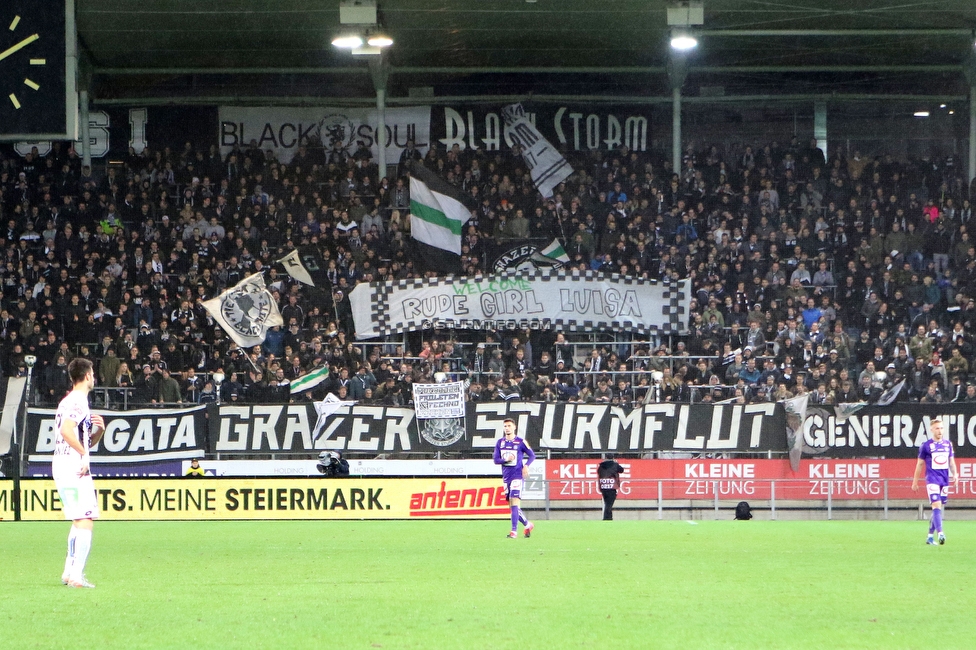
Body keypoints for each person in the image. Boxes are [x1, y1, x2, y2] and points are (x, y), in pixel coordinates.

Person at [52, 358, 105, 588]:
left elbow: (79, 437)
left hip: (62, 464)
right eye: (92, 373)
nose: (94, 377)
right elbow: (66, 430)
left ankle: (68, 571)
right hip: (74, 466)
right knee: (86, 520)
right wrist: (83, 455)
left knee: (77, 519)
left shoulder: (67, 401)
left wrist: (100, 432)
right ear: (87, 376)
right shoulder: (78, 400)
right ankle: (77, 575)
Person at [911, 418, 958, 545]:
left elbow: (951, 462)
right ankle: (941, 533)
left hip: (944, 479)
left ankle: (930, 537)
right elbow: (919, 464)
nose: (940, 430)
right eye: (937, 428)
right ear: (931, 430)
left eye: (941, 428)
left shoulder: (948, 444)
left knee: (937, 508)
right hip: (932, 479)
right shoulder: (926, 446)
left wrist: (955, 474)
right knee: (936, 505)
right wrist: (915, 482)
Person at [493, 417, 535, 539]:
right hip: (506, 476)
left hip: (517, 475)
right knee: (512, 506)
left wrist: (526, 465)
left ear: (514, 427)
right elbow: (496, 460)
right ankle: (528, 525)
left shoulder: (521, 442)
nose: (507, 428)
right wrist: (506, 459)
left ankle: (514, 532)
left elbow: (532, 455)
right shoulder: (500, 442)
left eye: (509, 426)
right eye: (505, 426)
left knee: (514, 501)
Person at [597, 456, 625, 520]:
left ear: (606, 458)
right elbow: (621, 470)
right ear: (612, 458)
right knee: (609, 505)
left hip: (603, 487)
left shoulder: (601, 466)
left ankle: (609, 518)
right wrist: (616, 463)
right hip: (612, 487)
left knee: (607, 503)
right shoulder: (615, 465)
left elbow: (599, 472)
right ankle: (606, 518)